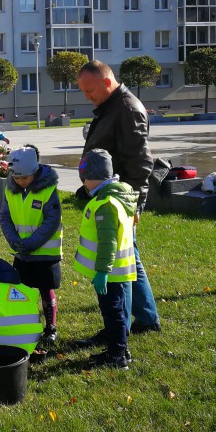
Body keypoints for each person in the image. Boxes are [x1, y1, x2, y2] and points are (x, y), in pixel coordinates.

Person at [76, 60, 161, 337]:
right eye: (83, 91)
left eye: (89, 90)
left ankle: (120, 327)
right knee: (129, 257)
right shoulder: (112, 106)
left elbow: (140, 163)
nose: (87, 96)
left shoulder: (125, 109)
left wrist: (134, 203)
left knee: (122, 263)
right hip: (113, 195)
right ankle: (146, 319)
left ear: (107, 82)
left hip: (122, 199)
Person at [75, 149, 138, 369]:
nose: (83, 184)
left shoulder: (107, 204)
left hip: (110, 272)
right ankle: (120, 349)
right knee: (115, 311)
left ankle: (117, 356)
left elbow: (108, 242)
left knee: (114, 313)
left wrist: (102, 271)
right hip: (115, 270)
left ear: (96, 177)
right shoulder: (116, 195)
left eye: (85, 179)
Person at [0, 145, 63, 344]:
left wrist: (33, 243)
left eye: (24, 178)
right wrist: (14, 240)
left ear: (35, 172)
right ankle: (25, 322)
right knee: (22, 291)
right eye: (16, 178)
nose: (20, 182)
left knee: (45, 289)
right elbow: (5, 217)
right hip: (22, 253)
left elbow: (52, 220)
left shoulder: (48, 190)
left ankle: (50, 327)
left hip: (44, 253)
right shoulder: (11, 190)